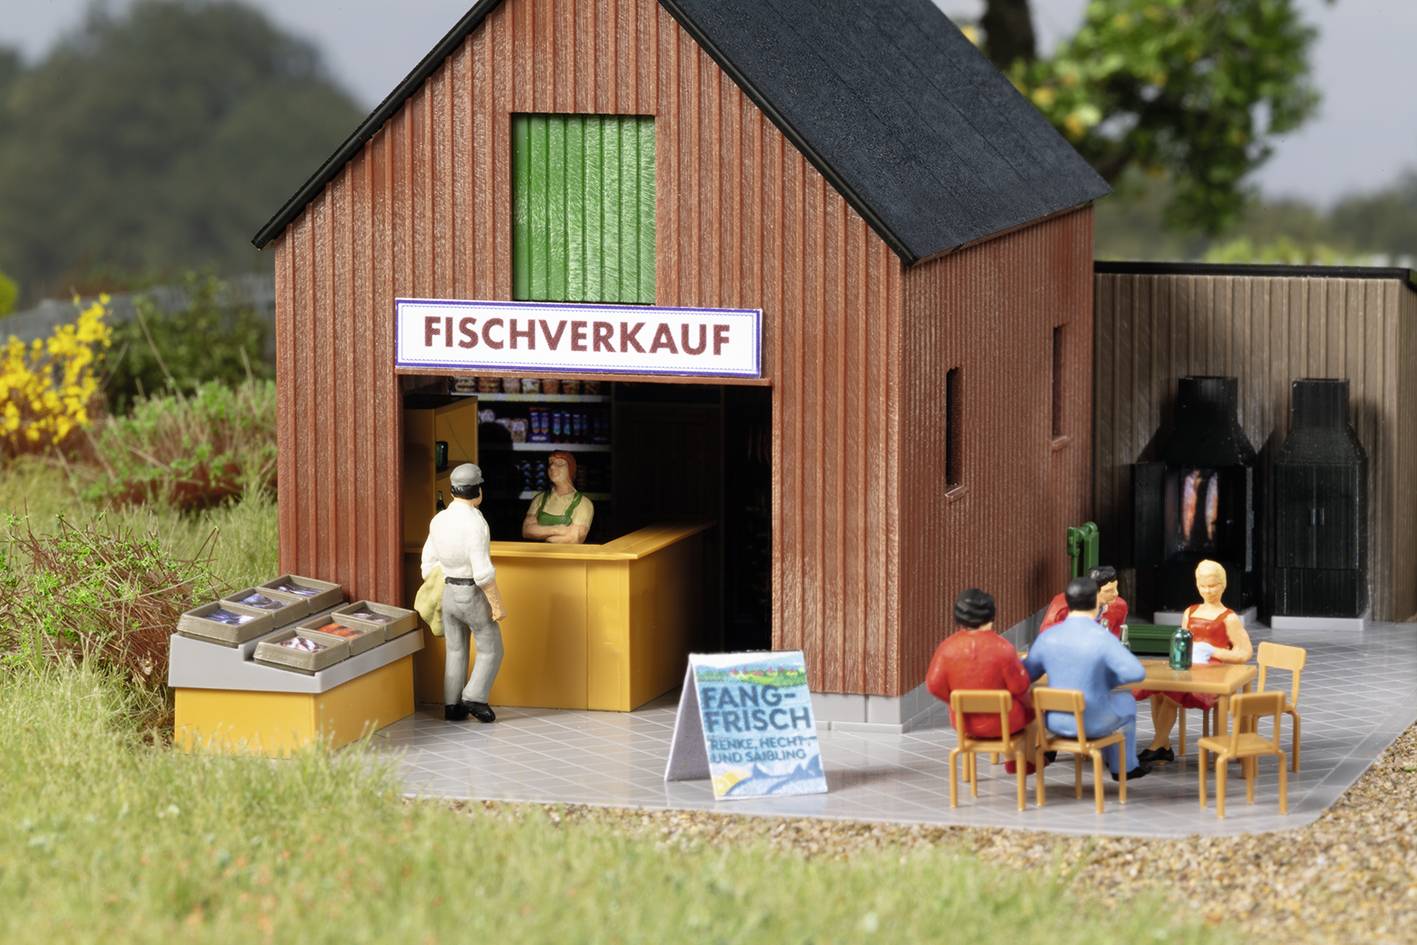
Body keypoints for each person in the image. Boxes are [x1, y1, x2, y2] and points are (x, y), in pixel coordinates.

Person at [1023, 576, 1150, 781]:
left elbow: (1027, 673)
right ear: (1096, 602)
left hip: (1054, 721)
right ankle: (1124, 767)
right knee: (1125, 702)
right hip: (1092, 720)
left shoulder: (1048, 637)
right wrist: (1108, 679)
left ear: (1068, 602)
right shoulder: (1102, 637)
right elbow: (1136, 672)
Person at [1136, 559, 1253, 764]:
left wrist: (1214, 652)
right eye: (1203, 586)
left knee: (1172, 694)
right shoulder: (1190, 611)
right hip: (1189, 668)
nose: (1208, 591)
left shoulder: (1229, 618)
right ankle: (1164, 746)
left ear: (1223, 585)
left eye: (1213, 585)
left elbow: (1244, 653)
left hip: (1214, 676)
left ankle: (1156, 745)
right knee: (1159, 692)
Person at [421, 463, 505, 723]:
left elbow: (427, 564)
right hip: (471, 591)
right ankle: (475, 696)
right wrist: (496, 603)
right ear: (478, 490)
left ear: (453, 490)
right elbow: (482, 572)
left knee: (455, 649)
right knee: (491, 648)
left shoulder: (439, 520)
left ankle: (452, 705)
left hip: (448, 591)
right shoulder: (475, 523)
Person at [925, 588, 1041, 775]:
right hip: (1006, 721)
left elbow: (933, 684)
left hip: (965, 721)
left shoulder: (946, 648)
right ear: (991, 615)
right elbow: (1020, 687)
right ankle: (1020, 761)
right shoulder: (1003, 648)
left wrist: (955, 701)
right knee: (1033, 713)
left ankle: (969, 773)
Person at [521, 450, 594, 544]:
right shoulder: (539, 499)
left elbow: (574, 538)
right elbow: (527, 530)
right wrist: (558, 530)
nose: (552, 467)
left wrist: (544, 535)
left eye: (560, 464)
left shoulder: (583, 503)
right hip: (537, 556)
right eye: (550, 463)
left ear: (570, 469)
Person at [1039, 565, 1128, 639]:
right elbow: (1046, 635)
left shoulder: (1119, 607)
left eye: (1116, 588)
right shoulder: (1062, 606)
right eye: (1108, 591)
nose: (1116, 594)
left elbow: (1114, 640)